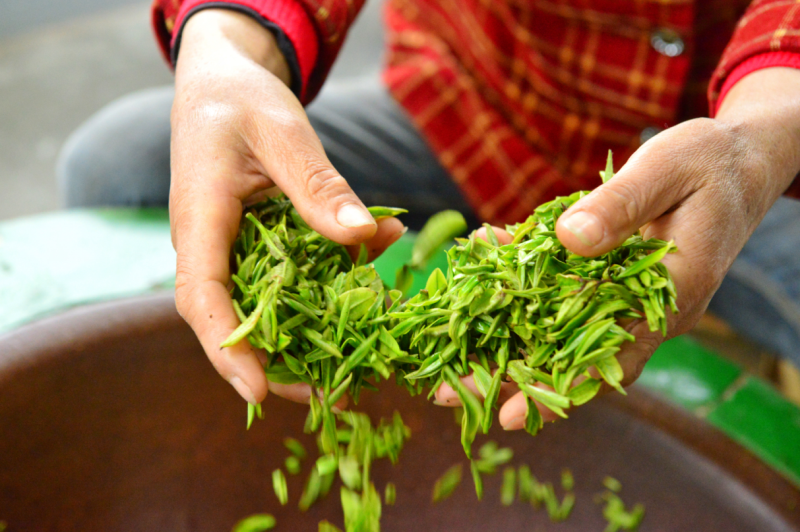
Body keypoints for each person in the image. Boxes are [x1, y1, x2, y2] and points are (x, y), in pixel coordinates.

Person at [58, 0, 800, 430]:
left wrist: (761, 139)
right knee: (123, 164)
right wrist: (226, 47)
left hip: (732, 150)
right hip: (478, 113)